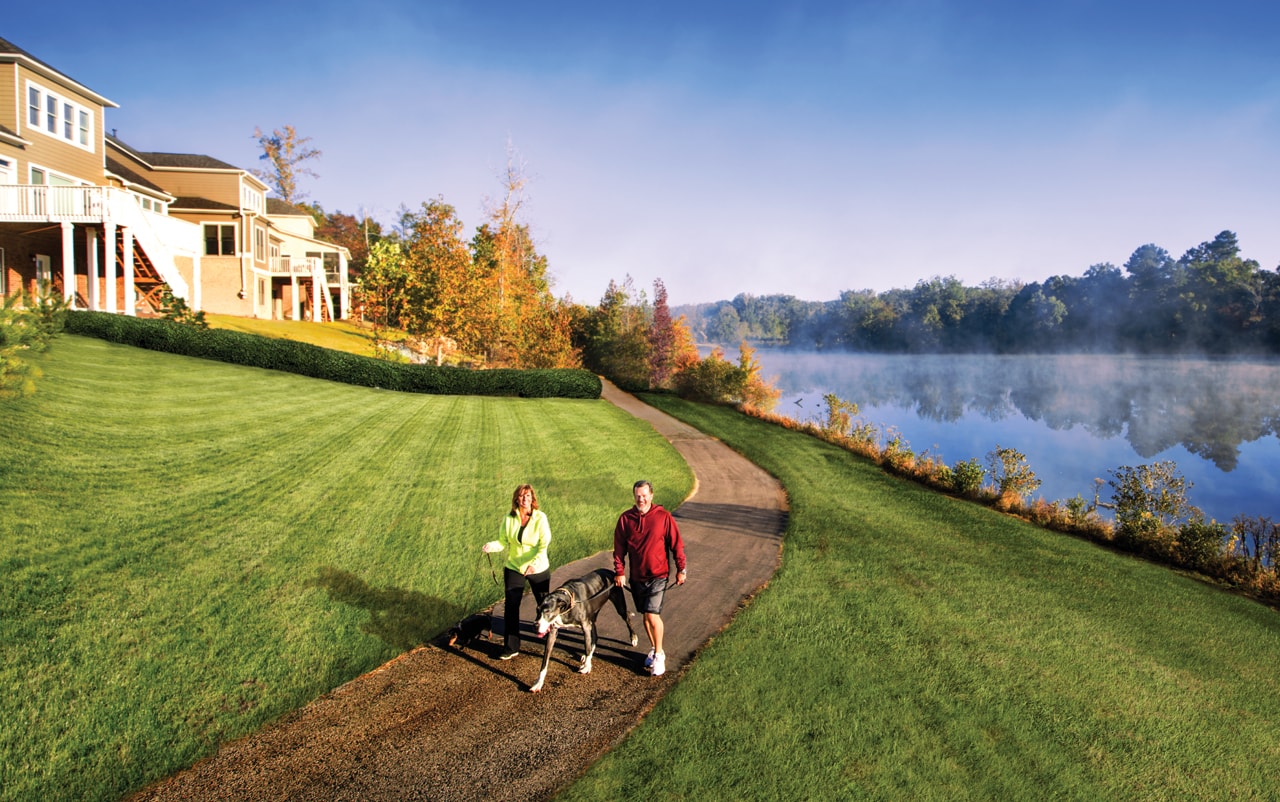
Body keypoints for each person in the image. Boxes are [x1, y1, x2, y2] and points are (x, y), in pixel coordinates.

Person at [613, 479, 686, 677]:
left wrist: (681, 569)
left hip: (658, 575)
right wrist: (619, 571)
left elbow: (676, 544)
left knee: (652, 615)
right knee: (645, 617)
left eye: (645, 495)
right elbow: (619, 548)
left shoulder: (663, 517)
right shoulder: (625, 519)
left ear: (651, 496)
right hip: (637, 576)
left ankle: (659, 656)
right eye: (638, 496)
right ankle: (654, 648)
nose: (641, 499)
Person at [482, 484, 552, 660]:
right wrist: (491, 546)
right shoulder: (509, 518)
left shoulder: (540, 518)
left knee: (545, 605)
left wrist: (534, 564)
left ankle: (550, 639)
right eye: (521, 496)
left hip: (538, 568)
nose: (525, 499)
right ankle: (511, 647)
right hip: (514, 567)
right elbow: (503, 541)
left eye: (528, 496)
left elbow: (544, 545)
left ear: (532, 499)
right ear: (516, 499)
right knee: (511, 607)